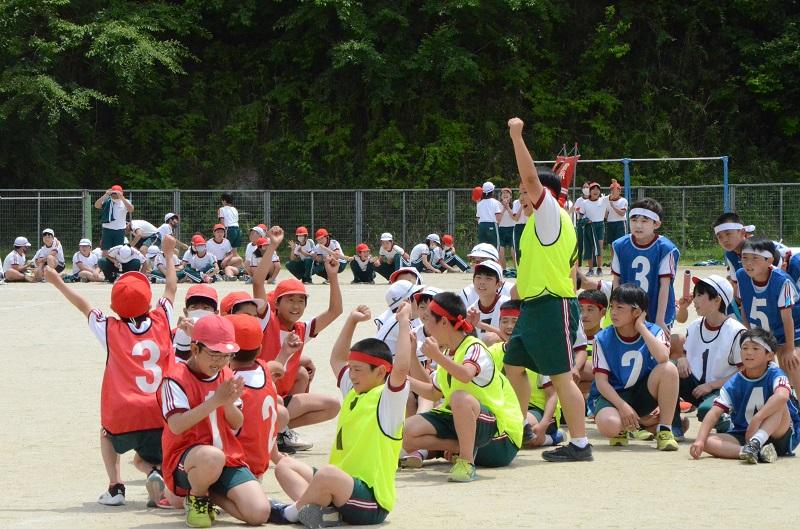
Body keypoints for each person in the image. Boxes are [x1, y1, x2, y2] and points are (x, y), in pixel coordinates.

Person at [45, 235, 178, 507]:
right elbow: (171, 288)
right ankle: (159, 472)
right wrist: (168, 254)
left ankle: (115, 487)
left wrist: (57, 281)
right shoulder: (162, 319)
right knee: (148, 456)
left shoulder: (110, 328)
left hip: (124, 414)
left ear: (115, 308)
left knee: (106, 434)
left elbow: (84, 305)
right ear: (148, 303)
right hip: (161, 412)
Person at [273, 303, 412, 527]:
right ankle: (323, 512)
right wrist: (352, 321)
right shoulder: (356, 390)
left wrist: (404, 321)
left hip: (371, 501)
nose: (352, 375)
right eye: (352, 368)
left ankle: (289, 513)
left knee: (327, 475)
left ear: (380, 372)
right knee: (284, 466)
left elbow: (402, 368)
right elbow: (337, 359)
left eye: (358, 369)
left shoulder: (388, 400)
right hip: (341, 488)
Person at [503, 116, 591, 462]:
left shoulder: (550, 214)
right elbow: (562, 270)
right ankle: (519, 425)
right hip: (535, 306)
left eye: (526, 192)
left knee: (561, 377)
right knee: (513, 365)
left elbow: (530, 177)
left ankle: (580, 444)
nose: (522, 195)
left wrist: (516, 136)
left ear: (546, 194)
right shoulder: (534, 226)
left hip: (553, 306)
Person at [157, 315, 273, 527]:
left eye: (226, 355)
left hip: (227, 456)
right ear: (195, 349)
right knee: (211, 457)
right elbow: (177, 425)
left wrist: (227, 403)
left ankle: (209, 496)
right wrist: (216, 401)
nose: (219, 361)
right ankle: (197, 498)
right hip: (187, 460)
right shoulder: (174, 379)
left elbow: (237, 423)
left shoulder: (226, 373)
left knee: (259, 513)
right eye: (214, 354)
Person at [403, 292, 522, 481]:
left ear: (443, 322)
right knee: (407, 432)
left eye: (428, 320)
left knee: (459, 398)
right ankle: (460, 447)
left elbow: (466, 375)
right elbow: (433, 393)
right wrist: (403, 378)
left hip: (499, 440)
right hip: (467, 429)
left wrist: (437, 357)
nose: (425, 326)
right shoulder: (448, 354)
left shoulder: (474, 347)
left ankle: (466, 462)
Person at [251, 237, 343, 453]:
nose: (296, 306)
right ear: (276, 303)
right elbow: (258, 283)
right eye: (290, 300)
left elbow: (335, 311)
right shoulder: (266, 320)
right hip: (261, 396)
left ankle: (281, 431)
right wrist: (272, 247)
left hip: (280, 399)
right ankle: (269, 430)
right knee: (301, 372)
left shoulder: (301, 329)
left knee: (331, 405)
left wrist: (332, 276)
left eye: (301, 301)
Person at [690, 328, 800, 464]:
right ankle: (748, 451)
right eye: (745, 348)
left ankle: (756, 442)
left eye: (755, 348)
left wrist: (757, 419)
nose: (748, 352)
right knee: (707, 440)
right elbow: (714, 412)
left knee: (779, 404)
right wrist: (699, 440)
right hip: (745, 432)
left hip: (778, 433)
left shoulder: (775, 373)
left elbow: (782, 396)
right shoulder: (735, 382)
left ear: (770, 355)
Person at [592, 284, 681, 450]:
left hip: (643, 393)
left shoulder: (655, 331)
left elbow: (663, 357)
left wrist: (641, 327)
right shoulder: (602, 338)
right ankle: (633, 425)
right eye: (612, 307)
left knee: (669, 369)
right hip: (614, 395)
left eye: (620, 307)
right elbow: (601, 382)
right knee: (609, 425)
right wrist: (622, 407)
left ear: (637, 312)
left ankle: (664, 431)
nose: (613, 312)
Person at [485, 299, 565, 448]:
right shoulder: (493, 351)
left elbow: (553, 394)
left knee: (517, 430)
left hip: (538, 409)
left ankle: (554, 436)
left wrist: (543, 424)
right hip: (507, 406)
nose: (509, 326)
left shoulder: (540, 353)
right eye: (504, 321)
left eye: (515, 321)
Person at [678, 274, 745, 430]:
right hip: (698, 388)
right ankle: (674, 425)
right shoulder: (695, 326)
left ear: (717, 300)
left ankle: (731, 424)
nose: (694, 300)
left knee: (706, 411)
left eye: (700, 295)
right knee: (670, 370)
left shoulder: (736, 331)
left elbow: (745, 372)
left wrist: (711, 385)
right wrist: (681, 358)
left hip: (723, 390)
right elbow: (686, 351)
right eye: (695, 295)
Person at [735, 237, 800, 390]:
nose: (748, 263)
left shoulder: (781, 280)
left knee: (791, 363)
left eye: (754, 258)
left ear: (769, 260)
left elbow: (787, 318)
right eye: (744, 258)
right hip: (764, 331)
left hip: (792, 330)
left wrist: (790, 349)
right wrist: (750, 335)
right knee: (760, 367)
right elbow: (744, 306)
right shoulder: (741, 276)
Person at [611, 197, 679, 335]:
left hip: (656, 309)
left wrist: (660, 319)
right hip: (628, 309)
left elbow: (665, 285)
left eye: (644, 221)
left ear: (656, 224)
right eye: (634, 220)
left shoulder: (666, 249)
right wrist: (617, 309)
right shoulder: (620, 245)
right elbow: (616, 281)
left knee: (655, 346)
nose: (638, 225)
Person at [226, 314, 283, 479]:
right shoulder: (263, 368)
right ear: (259, 350)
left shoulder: (230, 383)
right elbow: (277, 367)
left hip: (237, 468)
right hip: (260, 466)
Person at [465, 260, 510, 343]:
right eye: (478, 277)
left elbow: (512, 339)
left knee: (490, 338)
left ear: (499, 284)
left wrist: (480, 325)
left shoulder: (508, 306)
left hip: (504, 350)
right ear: (473, 281)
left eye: (488, 278)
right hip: (480, 350)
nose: (482, 282)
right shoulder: (471, 311)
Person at [173, 284, 220, 361]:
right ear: (186, 312)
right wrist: (184, 335)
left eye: (206, 308)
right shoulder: (176, 333)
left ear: (215, 313)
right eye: (194, 307)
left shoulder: (221, 334)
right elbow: (179, 361)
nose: (200, 311)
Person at [95, 185, 134, 255]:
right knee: (105, 251)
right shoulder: (107, 201)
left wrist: (122, 197)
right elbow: (97, 205)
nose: (114, 195)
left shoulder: (125, 201)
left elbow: (131, 209)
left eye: (116, 193)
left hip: (120, 230)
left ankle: (115, 262)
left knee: (118, 251)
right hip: (107, 229)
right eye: (113, 193)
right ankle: (105, 262)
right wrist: (106, 194)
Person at [581, 182, 607, 277]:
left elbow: (613, 196)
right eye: (593, 189)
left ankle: (599, 268)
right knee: (589, 247)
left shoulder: (603, 200)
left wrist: (615, 185)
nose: (595, 191)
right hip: (589, 226)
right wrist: (585, 220)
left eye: (597, 189)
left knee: (599, 246)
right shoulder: (585, 202)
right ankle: (590, 269)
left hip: (600, 225)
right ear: (590, 191)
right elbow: (581, 214)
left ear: (600, 191)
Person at [604, 179, 628, 260]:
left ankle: (622, 261)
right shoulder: (607, 200)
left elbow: (622, 213)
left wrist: (613, 206)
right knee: (612, 244)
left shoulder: (623, 200)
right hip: (610, 223)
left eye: (615, 190)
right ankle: (614, 262)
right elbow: (606, 214)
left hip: (620, 223)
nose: (613, 192)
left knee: (621, 243)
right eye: (612, 190)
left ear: (619, 191)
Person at [475, 181, 502, 249]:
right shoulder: (495, 202)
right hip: (492, 225)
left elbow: (478, 218)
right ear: (492, 192)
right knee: (494, 247)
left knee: (482, 247)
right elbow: (498, 217)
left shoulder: (479, 203)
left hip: (481, 226)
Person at [498, 187, 517, 275]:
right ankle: (504, 269)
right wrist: (503, 208)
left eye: (507, 193)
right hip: (501, 228)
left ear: (510, 196)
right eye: (503, 193)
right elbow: (498, 219)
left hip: (512, 228)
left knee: (513, 248)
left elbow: (514, 217)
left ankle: (516, 268)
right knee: (501, 249)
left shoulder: (514, 204)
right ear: (501, 196)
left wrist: (507, 206)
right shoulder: (498, 205)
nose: (505, 194)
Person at [511, 189, 529, 262]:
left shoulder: (530, 201)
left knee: (528, 248)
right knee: (518, 249)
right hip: (518, 227)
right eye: (521, 193)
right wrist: (521, 206)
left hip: (528, 226)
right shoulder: (516, 202)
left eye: (525, 193)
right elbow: (516, 218)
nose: (523, 195)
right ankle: (518, 266)